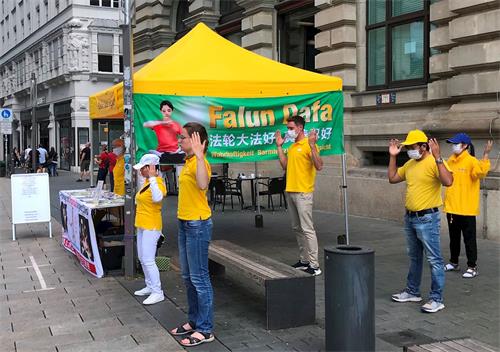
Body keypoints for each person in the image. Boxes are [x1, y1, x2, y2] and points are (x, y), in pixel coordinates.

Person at [388, 130, 453, 313]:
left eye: (412, 147)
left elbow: (448, 181)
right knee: (414, 257)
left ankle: (436, 298)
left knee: (434, 259)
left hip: (427, 218)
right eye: (407, 147)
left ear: (424, 147)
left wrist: (439, 157)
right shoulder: (409, 164)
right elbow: (393, 178)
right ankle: (412, 291)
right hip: (410, 218)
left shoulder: (434, 162)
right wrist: (393, 157)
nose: (409, 150)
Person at [170, 123, 214, 347]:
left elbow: (203, 183)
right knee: (188, 277)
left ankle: (205, 329)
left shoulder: (201, 163)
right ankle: (195, 320)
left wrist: (199, 155)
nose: (180, 140)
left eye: (184, 137)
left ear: (197, 141)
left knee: (199, 278)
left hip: (197, 224)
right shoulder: (187, 162)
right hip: (184, 222)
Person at [274, 115, 323, 276]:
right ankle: (304, 260)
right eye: (288, 128)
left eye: (291, 128)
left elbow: (319, 165)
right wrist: (279, 147)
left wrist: (312, 145)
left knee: (307, 229)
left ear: (300, 128)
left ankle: (315, 265)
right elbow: (284, 165)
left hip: (303, 192)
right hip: (291, 191)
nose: (289, 131)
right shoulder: (293, 146)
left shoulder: (309, 144)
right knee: (297, 228)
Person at [443, 134, 493, 278]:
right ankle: (454, 262)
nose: (453, 146)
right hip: (452, 208)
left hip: (467, 209)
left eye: (456, 143)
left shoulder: (471, 161)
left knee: (469, 239)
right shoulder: (450, 161)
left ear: (464, 145)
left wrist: (486, 155)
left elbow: (481, 173)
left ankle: (472, 266)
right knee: (454, 238)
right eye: (452, 143)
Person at [132, 153, 167, 305]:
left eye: (143, 168)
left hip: (152, 225)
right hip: (142, 224)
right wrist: (149, 178)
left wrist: (153, 177)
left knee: (148, 259)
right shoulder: (147, 182)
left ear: (150, 168)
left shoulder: (157, 182)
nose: (140, 171)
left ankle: (157, 292)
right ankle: (150, 285)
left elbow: (158, 197)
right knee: (142, 258)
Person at [143, 100, 185, 165]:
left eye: (169, 110)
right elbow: (145, 124)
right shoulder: (157, 124)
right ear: (161, 111)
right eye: (164, 111)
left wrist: (180, 148)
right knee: (149, 154)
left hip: (174, 153)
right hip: (161, 153)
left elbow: (184, 137)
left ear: (172, 111)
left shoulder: (176, 124)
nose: (166, 113)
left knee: (185, 154)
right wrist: (163, 122)